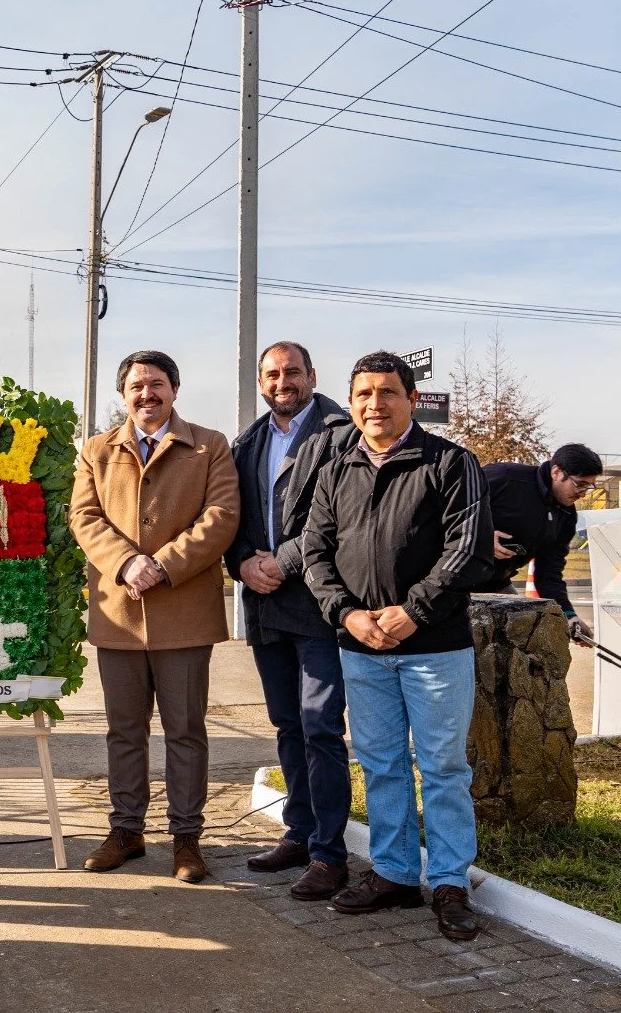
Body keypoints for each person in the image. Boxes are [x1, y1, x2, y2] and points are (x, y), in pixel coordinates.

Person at [301, 350, 494, 942]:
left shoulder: (450, 462)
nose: (374, 404)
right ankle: (393, 873)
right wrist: (348, 614)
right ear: (351, 401)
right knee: (382, 765)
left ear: (411, 398)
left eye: (387, 392)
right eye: (363, 393)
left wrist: (414, 612)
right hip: (360, 647)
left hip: (434, 647)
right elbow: (315, 553)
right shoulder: (336, 470)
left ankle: (449, 882)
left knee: (441, 768)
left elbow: (465, 551)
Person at [70, 350, 240, 884]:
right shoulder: (96, 450)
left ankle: (187, 839)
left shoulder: (209, 445)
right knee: (124, 730)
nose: (148, 394)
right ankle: (126, 830)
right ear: (123, 396)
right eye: (137, 386)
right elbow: (84, 515)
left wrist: (162, 565)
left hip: (184, 610)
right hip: (118, 612)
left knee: (185, 729)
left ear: (175, 389)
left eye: (158, 384)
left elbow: (222, 516)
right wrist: (125, 563)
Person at [225, 342, 359, 900]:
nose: (283, 381)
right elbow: (230, 516)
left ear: (312, 376)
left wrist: (285, 561)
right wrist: (241, 565)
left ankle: (330, 853)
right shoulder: (248, 441)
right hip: (266, 605)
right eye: (273, 374)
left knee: (322, 728)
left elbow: (342, 518)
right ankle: (300, 833)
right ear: (261, 381)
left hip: (320, 604)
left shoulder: (341, 432)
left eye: (293, 372)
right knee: (287, 724)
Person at [476, 443, 602, 644]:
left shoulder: (566, 516)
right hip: (450, 574)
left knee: (519, 640)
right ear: (556, 472)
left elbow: (549, 574)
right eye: (579, 484)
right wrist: (479, 537)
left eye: (590, 486)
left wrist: (569, 615)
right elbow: (441, 505)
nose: (583, 493)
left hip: (495, 582)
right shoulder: (506, 478)